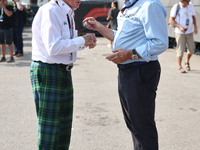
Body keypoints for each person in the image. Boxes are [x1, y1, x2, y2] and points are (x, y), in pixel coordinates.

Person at [83, 0, 168, 149]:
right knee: (134, 125)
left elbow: (159, 42)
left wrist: (130, 54)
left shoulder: (149, 5)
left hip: (140, 69)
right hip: (127, 71)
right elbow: (123, 38)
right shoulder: (128, 6)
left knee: (142, 128)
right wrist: (99, 26)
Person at [30, 0, 96, 149]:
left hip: (61, 71)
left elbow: (64, 44)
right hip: (49, 71)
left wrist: (85, 42)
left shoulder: (66, 12)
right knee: (50, 131)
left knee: (63, 130)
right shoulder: (51, 11)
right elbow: (53, 47)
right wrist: (82, 40)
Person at [170, 0, 197, 73]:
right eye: (187, 1)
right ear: (182, 1)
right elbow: (171, 19)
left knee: (191, 48)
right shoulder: (176, 7)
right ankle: (180, 66)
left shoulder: (190, 5)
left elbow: (193, 17)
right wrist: (179, 27)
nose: (188, 2)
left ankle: (187, 61)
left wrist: (195, 27)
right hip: (180, 32)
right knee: (180, 50)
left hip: (190, 31)